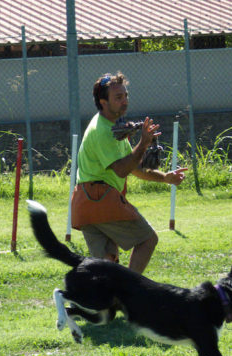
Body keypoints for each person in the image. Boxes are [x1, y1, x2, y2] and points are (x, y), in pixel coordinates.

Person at [72, 72, 187, 274]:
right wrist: (143, 144)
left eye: (125, 95)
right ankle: (131, 291)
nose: (124, 101)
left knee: (107, 266)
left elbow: (135, 168)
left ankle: (94, 304)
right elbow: (122, 170)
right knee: (148, 239)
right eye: (118, 97)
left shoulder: (111, 127)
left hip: (85, 204)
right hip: (102, 200)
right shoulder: (103, 131)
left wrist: (166, 178)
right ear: (103, 102)